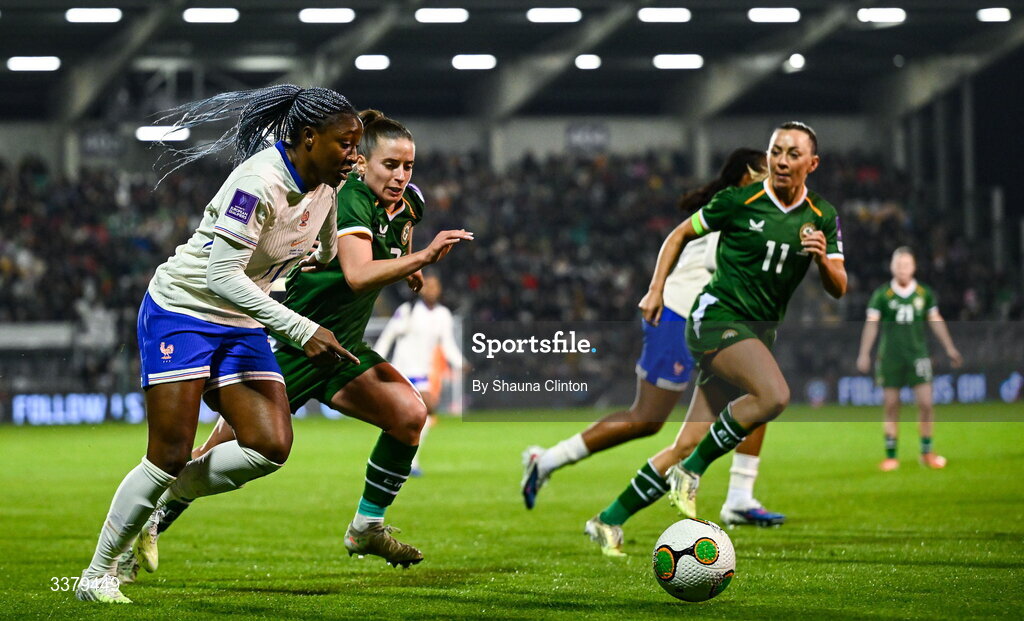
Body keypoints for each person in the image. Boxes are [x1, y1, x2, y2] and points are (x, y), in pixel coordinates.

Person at [119, 110, 473, 578]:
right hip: (293, 341)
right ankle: (133, 541)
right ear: (362, 164)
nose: (401, 175)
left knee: (408, 416)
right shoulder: (345, 199)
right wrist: (421, 259)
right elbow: (356, 272)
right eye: (390, 165)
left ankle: (366, 527)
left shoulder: (410, 205)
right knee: (217, 453)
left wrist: (411, 263)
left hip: (340, 348)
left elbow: (389, 247)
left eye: (408, 166)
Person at [76, 85, 363, 603]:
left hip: (242, 319)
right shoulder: (258, 182)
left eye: (356, 145)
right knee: (167, 452)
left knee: (270, 445)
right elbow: (223, 275)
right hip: (184, 311)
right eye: (345, 143)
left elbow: (321, 249)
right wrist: (300, 328)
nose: (354, 155)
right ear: (308, 137)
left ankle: (159, 504)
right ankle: (96, 575)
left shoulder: (327, 184)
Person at [584, 122, 847, 556]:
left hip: (756, 332)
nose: (781, 161)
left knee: (688, 440)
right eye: (775, 151)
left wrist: (822, 260)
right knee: (774, 395)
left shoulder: (823, 215)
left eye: (792, 154)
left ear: (811, 163)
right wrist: (656, 289)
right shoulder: (739, 201)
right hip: (716, 319)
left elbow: (839, 286)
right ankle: (693, 473)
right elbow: (678, 234)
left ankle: (608, 519)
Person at [520, 148, 785, 526]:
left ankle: (740, 499)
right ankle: (546, 461)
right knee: (646, 419)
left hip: (715, 324)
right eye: (768, 173)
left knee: (760, 395)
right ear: (747, 176)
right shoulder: (733, 209)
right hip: (677, 315)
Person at [856, 246, 963, 471]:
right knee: (891, 406)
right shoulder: (882, 295)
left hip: (918, 355)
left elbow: (936, 321)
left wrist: (950, 348)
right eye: (898, 265)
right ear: (892, 267)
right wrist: (864, 353)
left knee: (926, 404)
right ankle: (891, 455)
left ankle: (927, 452)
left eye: (906, 265)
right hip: (890, 357)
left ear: (913, 267)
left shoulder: (924, 293)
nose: (902, 269)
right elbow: (871, 325)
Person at [375, 274, 466, 476]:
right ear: (421, 289)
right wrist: (376, 363)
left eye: (435, 286)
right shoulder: (407, 311)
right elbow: (388, 335)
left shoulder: (443, 315)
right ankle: (403, 461)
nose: (432, 290)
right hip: (401, 372)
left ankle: (406, 462)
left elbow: (447, 343)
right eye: (429, 286)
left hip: (422, 375)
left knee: (417, 417)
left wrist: (461, 363)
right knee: (421, 413)